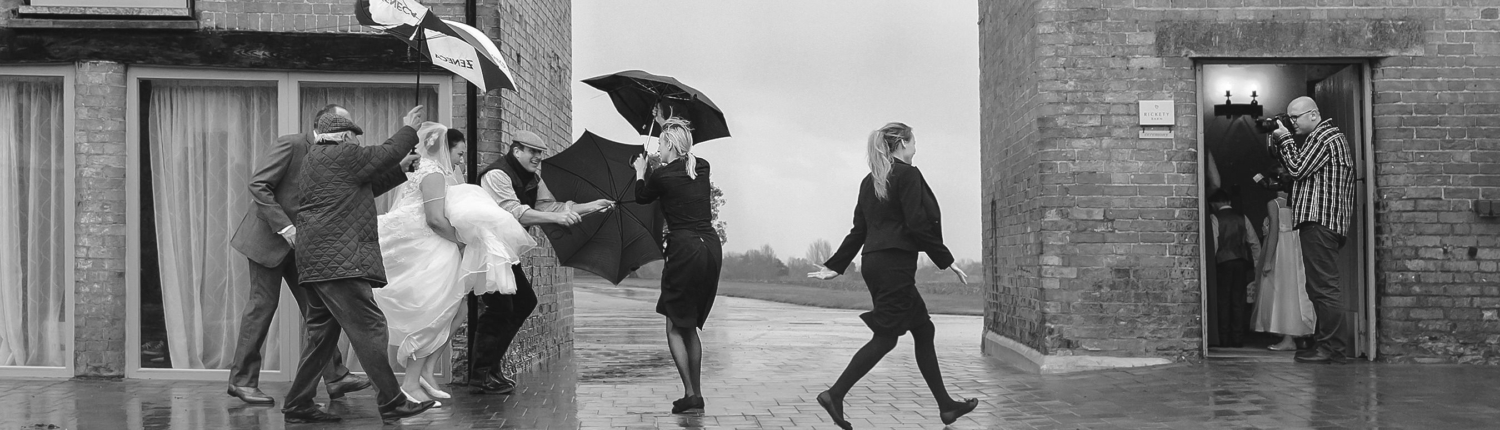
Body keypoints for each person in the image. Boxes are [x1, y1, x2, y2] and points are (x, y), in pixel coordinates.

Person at [808, 122, 979, 429]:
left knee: (923, 330)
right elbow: (916, 224)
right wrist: (946, 259)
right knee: (886, 337)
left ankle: (946, 407)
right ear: (901, 144)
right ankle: (834, 394)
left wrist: (836, 265)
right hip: (894, 266)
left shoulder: (869, 180)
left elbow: (859, 230)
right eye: (913, 142)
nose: (916, 148)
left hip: (876, 264)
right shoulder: (907, 175)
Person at [225, 104, 394, 405]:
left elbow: (356, 189)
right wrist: (285, 227)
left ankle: (336, 377)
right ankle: (242, 381)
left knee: (320, 312)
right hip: (269, 239)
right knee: (262, 306)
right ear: (322, 124)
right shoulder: (291, 144)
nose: (349, 131)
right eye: (343, 124)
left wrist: (405, 169)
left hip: (307, 247)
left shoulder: (336, 154)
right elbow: (258, 185)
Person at [279, 106, 436, 423]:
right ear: (344, 136)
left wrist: (402, 170)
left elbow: (363, 188)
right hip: (340, 262)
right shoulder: (343, 155)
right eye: (353, 136)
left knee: (321, 338)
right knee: (371, 328)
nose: (355, 142)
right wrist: (409, 129)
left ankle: (298, 403)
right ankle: (392, 401)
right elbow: (385, 152)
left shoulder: (315, 160)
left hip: (317, 261)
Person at [372, 123, 535, 406]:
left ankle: (424, 371)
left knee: (456, 308)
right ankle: (410, 383)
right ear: (445, 149)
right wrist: (462, 242)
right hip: (428, 246)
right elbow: (435, 219)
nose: (462, 159)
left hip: (430, 243)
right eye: (459, 153)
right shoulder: (432, 172)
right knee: (435, 310)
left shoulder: (433, 170)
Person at [471, 130, 612, 395]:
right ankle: (480, 375)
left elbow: (551, 208)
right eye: (532, 151)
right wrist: (558, 220)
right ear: (516, 151)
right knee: (498, 309)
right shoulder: (496, 175)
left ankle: (490, 369)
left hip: (504, 252)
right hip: (486, 251)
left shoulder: (534, 178)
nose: (537, 157)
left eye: (540, 153)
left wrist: (592, 206)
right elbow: (514, 212)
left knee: (522, 302)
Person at [629, 117, 723, 414]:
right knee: (689, 324)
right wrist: (662, 120)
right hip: (710, 248)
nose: (658, 148)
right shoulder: (702, 166)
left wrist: (641, 171)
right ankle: (693, 394)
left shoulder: (661, 176)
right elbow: (680, 168)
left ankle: (691, 394)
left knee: (673, 324)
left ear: (669, 144)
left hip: (684, 251)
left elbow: (641, 197)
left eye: (660, 143)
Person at [1270, 96, 1356, 364]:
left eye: (1294, 118)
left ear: (1314, 115)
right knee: (1318, 287)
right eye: (1289, 118)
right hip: (1322, 222)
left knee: (1324, 288)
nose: (1291, 123)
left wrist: (1284, 139)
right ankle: (1326, 345)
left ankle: (1333, 350)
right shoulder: (1321, 139)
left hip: (1320, 222)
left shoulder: (1324, 137)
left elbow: (1296, 169)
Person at [1253, 188, 1316, 351]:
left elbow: (1274, 231)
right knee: (1296, 290)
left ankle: (1288, 337)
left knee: (1280, 291)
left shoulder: (1274, 203)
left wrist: (1267, 260)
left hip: (1281, 248)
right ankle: (1297, 334)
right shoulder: (1300, 201)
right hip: (1297, 246)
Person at [1208, 189, 1261, 348]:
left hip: (1223, 263)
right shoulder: (1242, 218)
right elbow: (1254, 243)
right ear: (1229, 202)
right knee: (1239, 300)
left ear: (1214, 203)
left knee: (1223, 300)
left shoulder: (1214, 218)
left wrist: (1211, 263)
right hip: (1241, 263)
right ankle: (1238, 338)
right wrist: (1257, 264)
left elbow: (1214, 244)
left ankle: (1224, 337)